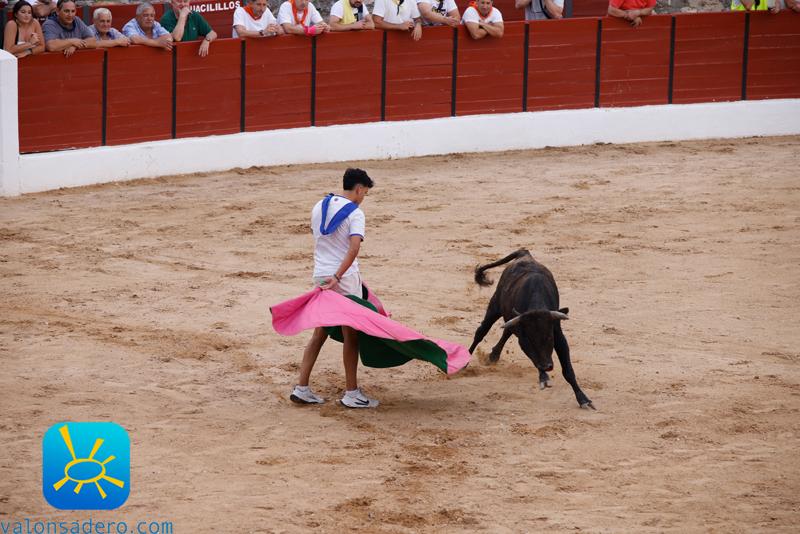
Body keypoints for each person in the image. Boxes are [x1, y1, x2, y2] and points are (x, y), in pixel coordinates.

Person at [290, 168, 379, 409]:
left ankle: (302, 388)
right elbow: (353, 249)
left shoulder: (319, 206)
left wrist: (329, 276)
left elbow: (319, 240)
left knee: (320, 332)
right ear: (359, 189)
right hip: (343, 278)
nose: (363, 198)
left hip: (320, 275)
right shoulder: (356, 213)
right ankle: (351, 393)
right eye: (365, 193)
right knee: (351, 334)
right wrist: (339, 276)